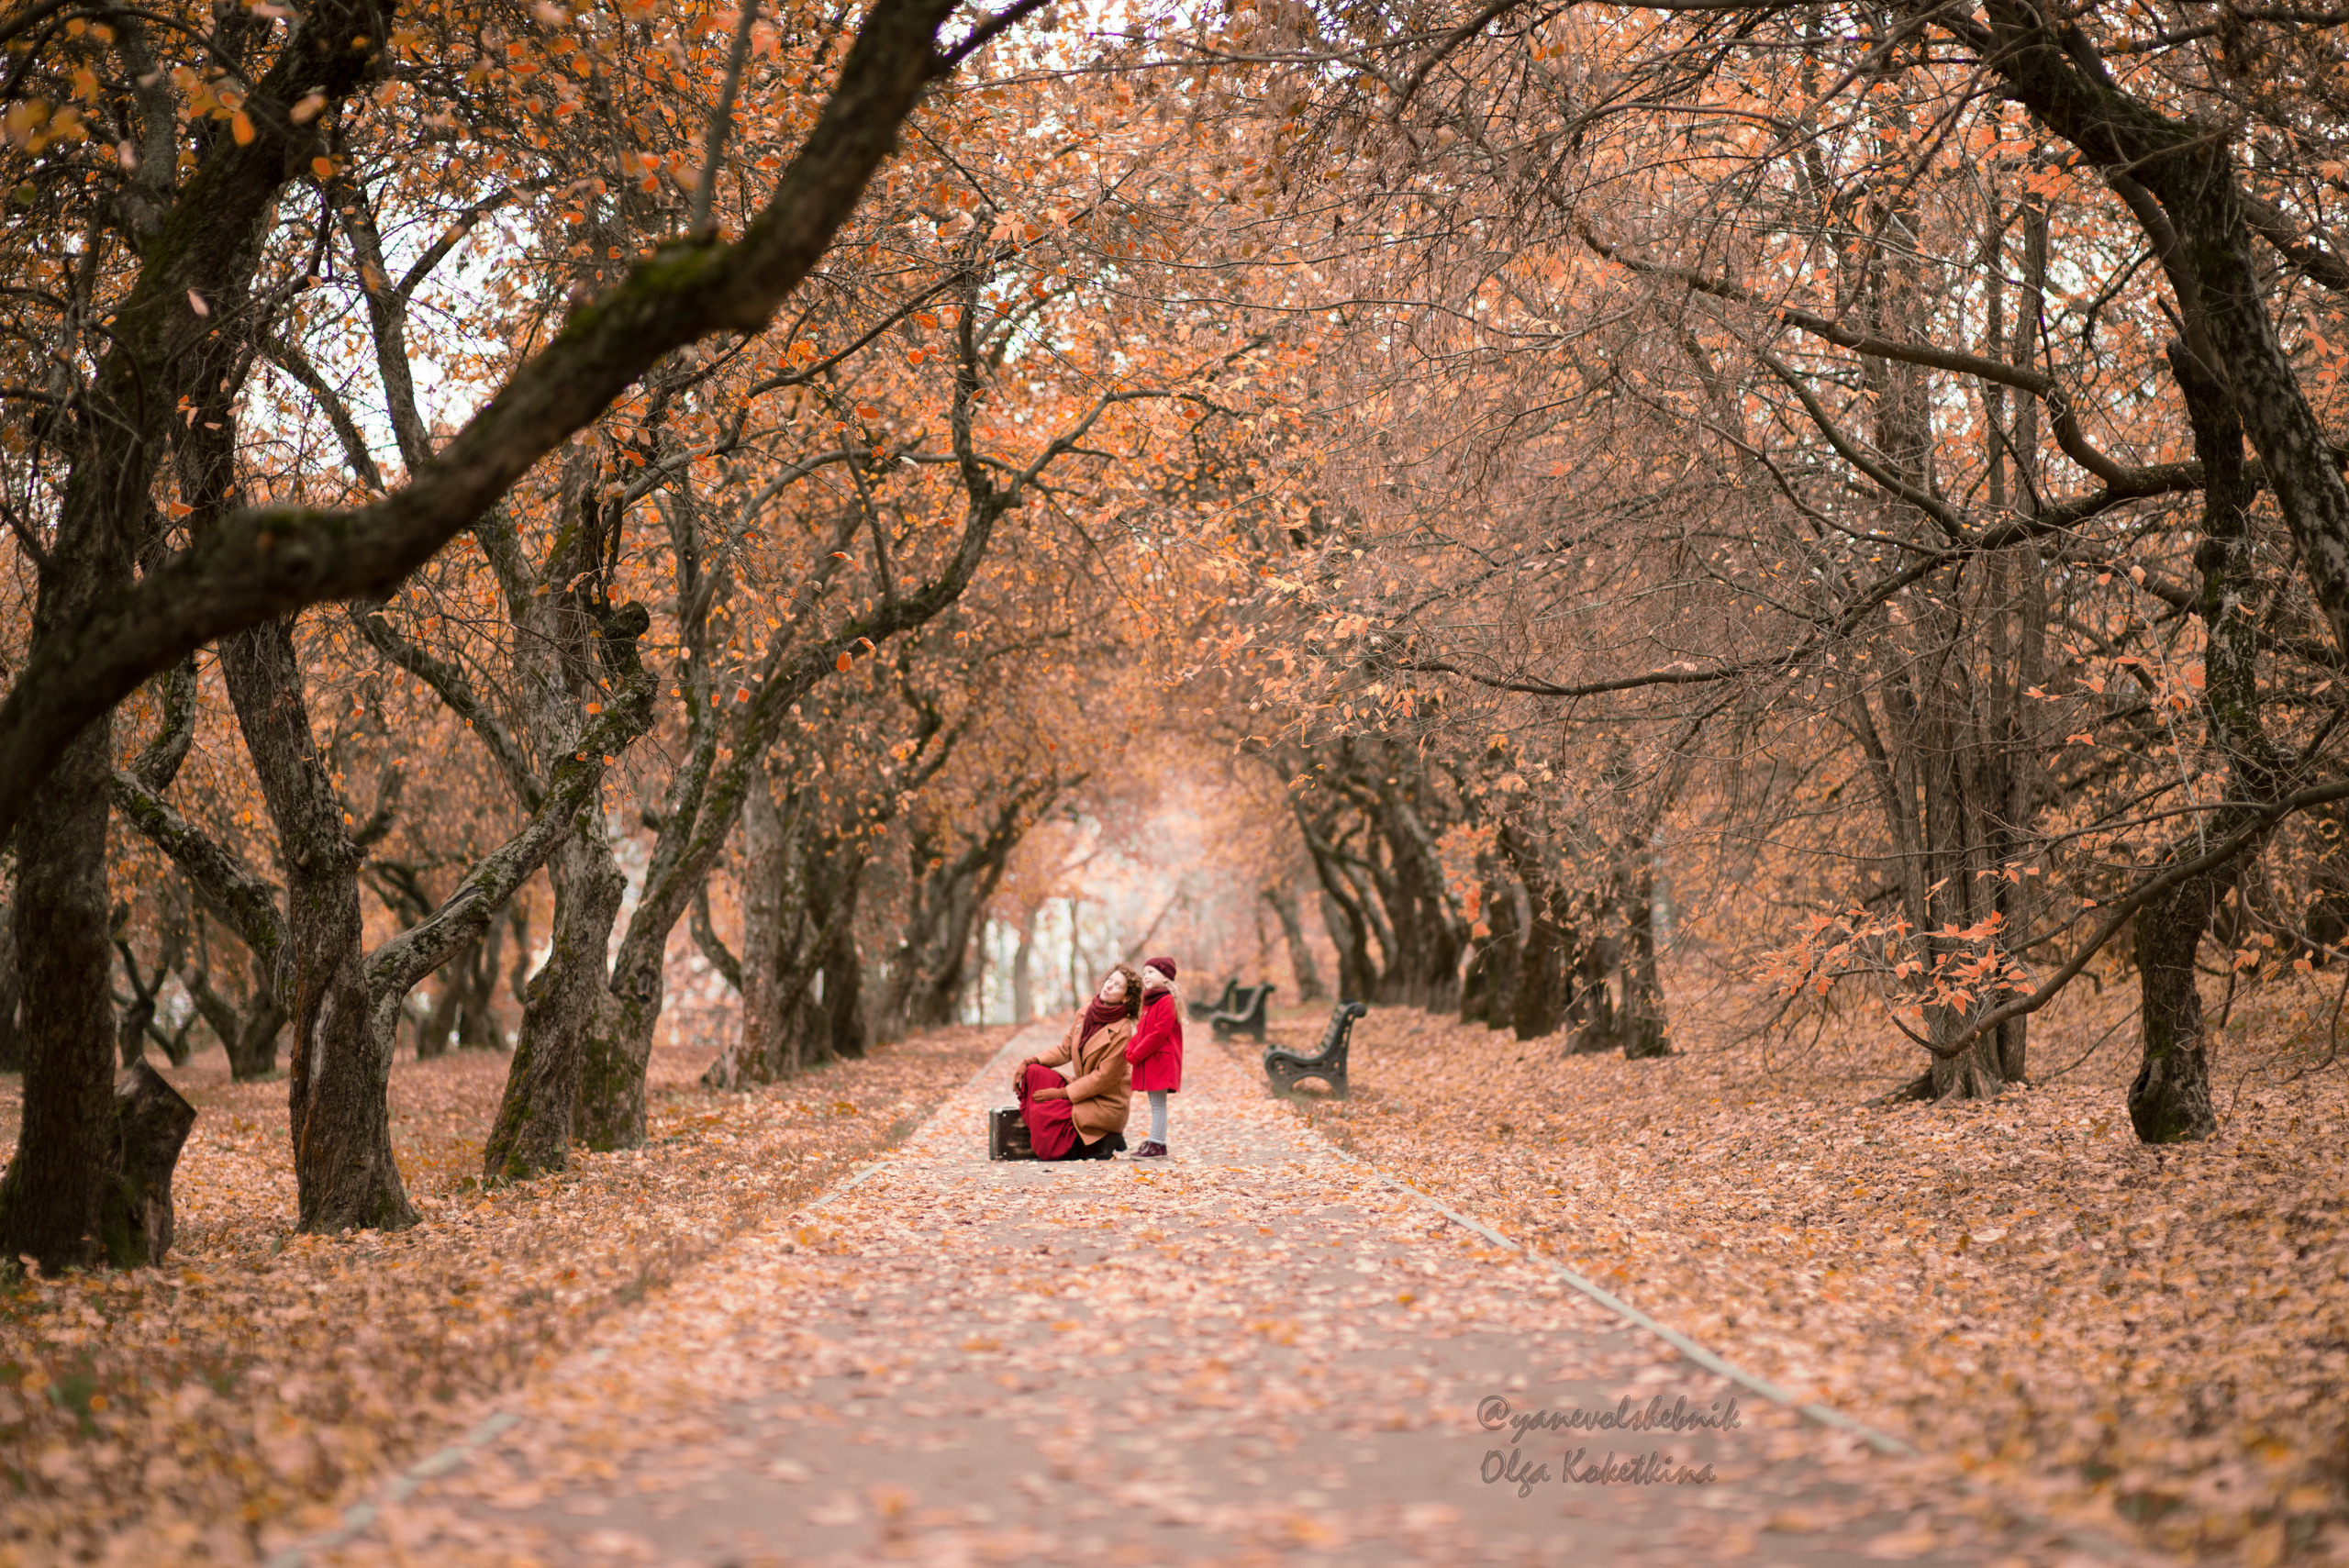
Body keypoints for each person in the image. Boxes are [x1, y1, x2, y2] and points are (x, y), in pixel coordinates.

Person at [1012, 963, 1139, 1161]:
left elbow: (1103, 1078)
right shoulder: (1085, 1012)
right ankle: (1074, 1138)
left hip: (1104, 1101)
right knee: (1033, 1072)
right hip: (1081, 1089)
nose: (1109, 986)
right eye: (1109, 980)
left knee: (1046, 1122)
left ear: (1127, 997)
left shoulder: (1122, 1030)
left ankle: (1089, 1142)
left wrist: (1061, 1094)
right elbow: (1064, 1050)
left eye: (1117, 985)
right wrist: (1029, 1061)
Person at [1124, 956, 1183, 1159]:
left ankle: (1157, 1143)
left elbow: (1159, 1033)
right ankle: (1158, 1143)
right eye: (1145, 972)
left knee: (1158, 1104)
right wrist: (1130, 1048)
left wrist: (1137, 1053)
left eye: (1151, 972)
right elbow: (1141, 1031)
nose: (1145, 976)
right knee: (1155, 1103)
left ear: (1165, 977)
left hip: (1160, 1060)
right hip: (1152, 1059)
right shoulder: (1150, 1001)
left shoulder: (1166, 1000)